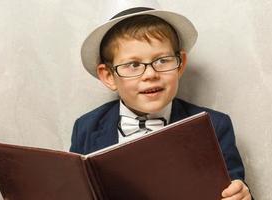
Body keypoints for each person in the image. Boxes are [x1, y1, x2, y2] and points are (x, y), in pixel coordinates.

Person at [70, 5, 251, 200]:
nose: (150, 74)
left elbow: (234, 188)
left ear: (180, 63)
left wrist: (241, 195)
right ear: (109, 76)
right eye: (133, 65)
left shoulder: (216, 126)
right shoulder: (86, 128)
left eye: (162, 60)